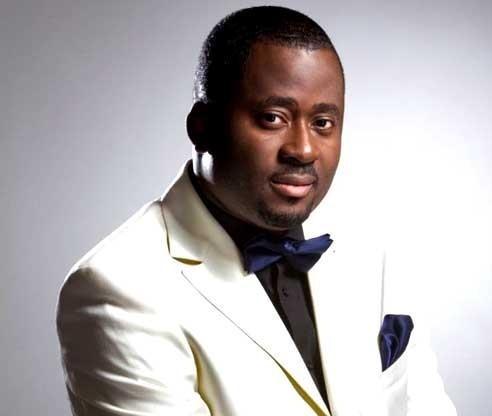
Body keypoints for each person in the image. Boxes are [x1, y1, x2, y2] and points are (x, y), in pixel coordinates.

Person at [56, 6, 457, 416]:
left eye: (323, 123)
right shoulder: (118, 289)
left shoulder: (368, 247)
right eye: (272, 118)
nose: (303, 149)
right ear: (202, 127)